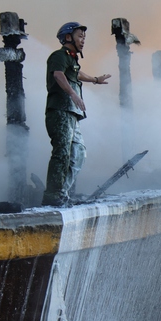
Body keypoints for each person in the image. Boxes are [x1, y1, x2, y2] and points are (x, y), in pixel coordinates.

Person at [41, 22, 111, 207]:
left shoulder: (71, 60)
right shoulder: (58, 56)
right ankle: (53, 195)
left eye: (84, 37)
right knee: (62, 152)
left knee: (79, 153)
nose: (83, 40)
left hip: (72, 113)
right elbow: (58, 75)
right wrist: (73, 94)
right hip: (60, 111)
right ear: (68, 37)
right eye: (80, 36)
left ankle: (62, 193)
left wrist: (96, 80)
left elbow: (77, 74)